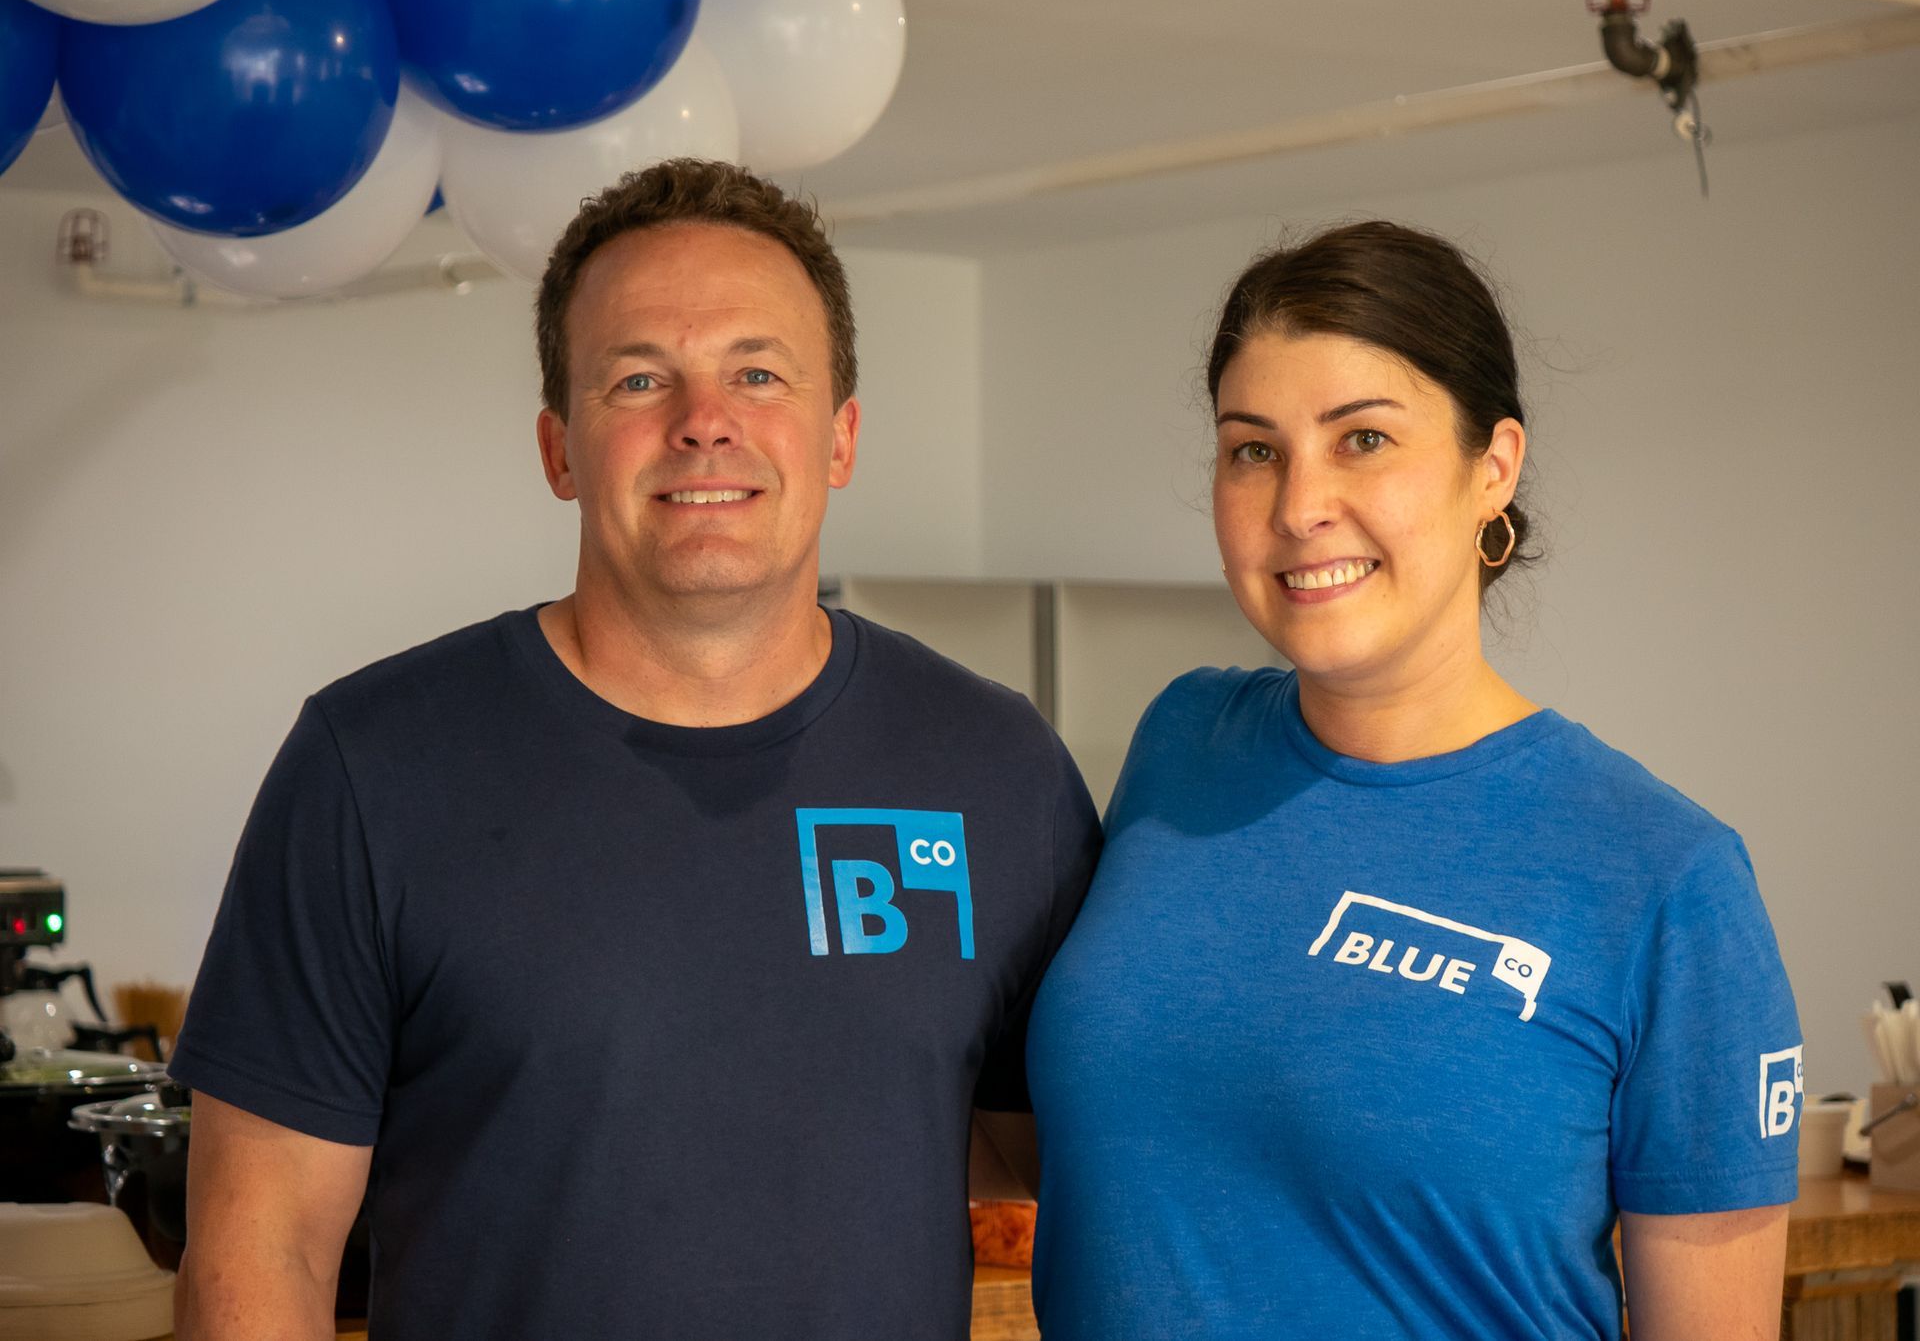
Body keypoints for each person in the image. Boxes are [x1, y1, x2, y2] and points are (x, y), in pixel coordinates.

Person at [169, 158, 1099, 1341]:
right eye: (639, 377)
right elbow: (262, 1249)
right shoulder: (371, 767)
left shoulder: (996, 768)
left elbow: (1091, 1164)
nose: (704, 419)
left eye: (758, 373)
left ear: (841, 438)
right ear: (560, 448)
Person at [1025, 221, 1800, 1340]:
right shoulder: (1182, 740)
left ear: (1494, 467)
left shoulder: (1664, 877)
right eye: (1254, 449)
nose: (1299, 506)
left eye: (1364, 440)